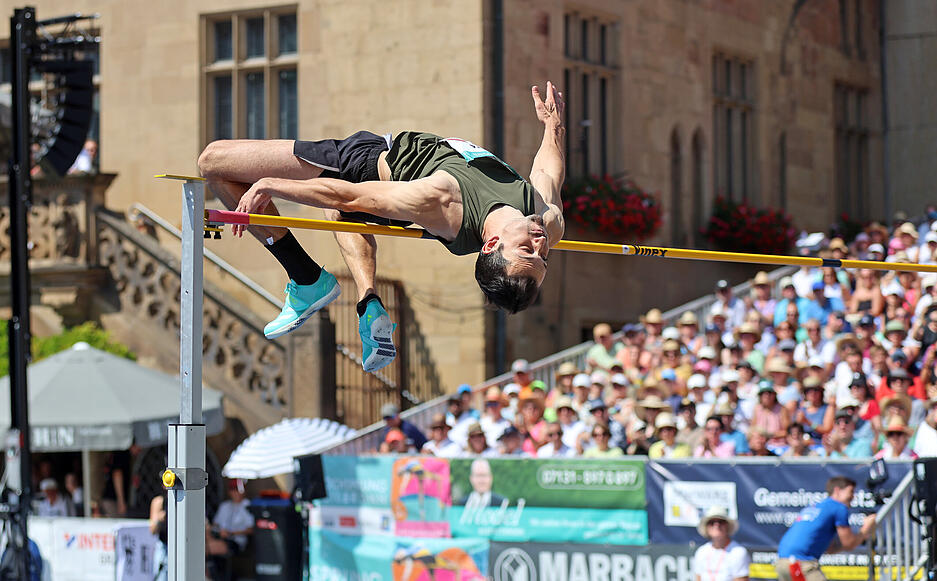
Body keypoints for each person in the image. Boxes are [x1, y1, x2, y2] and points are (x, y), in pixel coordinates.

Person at [198, 82, 567, 373]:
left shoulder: (443, 199)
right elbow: (548, 172)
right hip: (391, 196)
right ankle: (368, 301)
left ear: (491, 245)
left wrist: (270, 185)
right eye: (542, 256)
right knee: (341, 216)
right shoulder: (547, 222)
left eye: (526, 250)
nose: (538, 244)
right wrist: (552, 126)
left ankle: (305, 277)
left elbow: (350, 195)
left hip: (367, 166)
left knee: (213, 162)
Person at [775, 476, 876, 581]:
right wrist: (866, 528)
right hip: (800, 564)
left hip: (783, 563)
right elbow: (849, 543)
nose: (853, 496)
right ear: (837, 490)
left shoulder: (817, 506)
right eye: (850, 491)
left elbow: (830, 549)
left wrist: (855, 539)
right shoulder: (839, 507)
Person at [208, 479, 254, 581]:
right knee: (205, 540)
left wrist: (231, 533)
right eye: (234, 490)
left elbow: (251, 529)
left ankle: (209, 576)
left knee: (206, 548)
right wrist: (216, 530)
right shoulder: (225, 506)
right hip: (219, 537)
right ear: (230, 492)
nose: (236, 493)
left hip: (235, 541)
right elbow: (215, 524)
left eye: (238, 490)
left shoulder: (247, 506)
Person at [694, 506, 750, 581]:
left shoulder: (738, 552)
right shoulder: (701, 552)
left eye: (721, 522)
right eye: (711, 522)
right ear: (706, 527)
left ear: (728, 526)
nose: (716, 525)